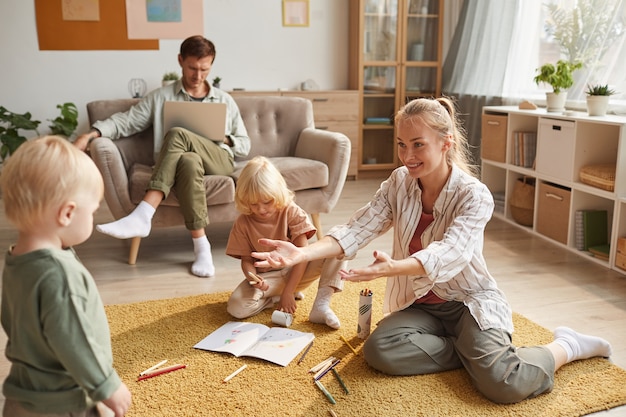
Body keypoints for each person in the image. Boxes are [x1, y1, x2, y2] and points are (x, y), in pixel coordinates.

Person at [250, 97, 613, 404]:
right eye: (401, 144)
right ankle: (473, 353)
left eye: (418, 144)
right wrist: (300, 254)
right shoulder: (398, 183)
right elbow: (357, 228)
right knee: (380, 350)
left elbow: (450, 253)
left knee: (503, 384)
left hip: (468, 300)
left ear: (446, 142)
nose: (407, 155)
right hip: (422, 302)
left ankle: (567, 345)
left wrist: (392, 268)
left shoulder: (474, 195)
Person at [74, 35, 250, 278]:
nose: (198, 76)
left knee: (178, 133)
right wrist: (91, 134)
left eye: (204, 69)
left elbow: (244, 145)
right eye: (192, 68)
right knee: (188, 160)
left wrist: (220, 137)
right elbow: (127, 121)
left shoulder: (224, 100)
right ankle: (202, 248)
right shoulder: (161, 97)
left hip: (218, 159)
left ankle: (144, 213)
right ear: (180, 61)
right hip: (183, 165)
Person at [0, 136, 132, 417]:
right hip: (64, 402)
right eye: (94, 211)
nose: (93, 218)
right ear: (67, 213)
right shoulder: (59, 275)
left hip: (21, 397)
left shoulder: (17, 260)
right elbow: (75, 339)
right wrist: (107, 386)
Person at [226, 156, 345, 329]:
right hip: (269, 279)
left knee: (340, 246)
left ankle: (321, 304)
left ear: (278, 193)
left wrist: (289, 291)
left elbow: (302, 255)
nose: (261, 209)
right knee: (236, 308)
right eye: (253, 204)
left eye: (267, 202)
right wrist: (254, 279)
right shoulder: (243, 222)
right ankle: (273, 296)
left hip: (298, 270)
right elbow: (246, 260)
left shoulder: (291, 211)